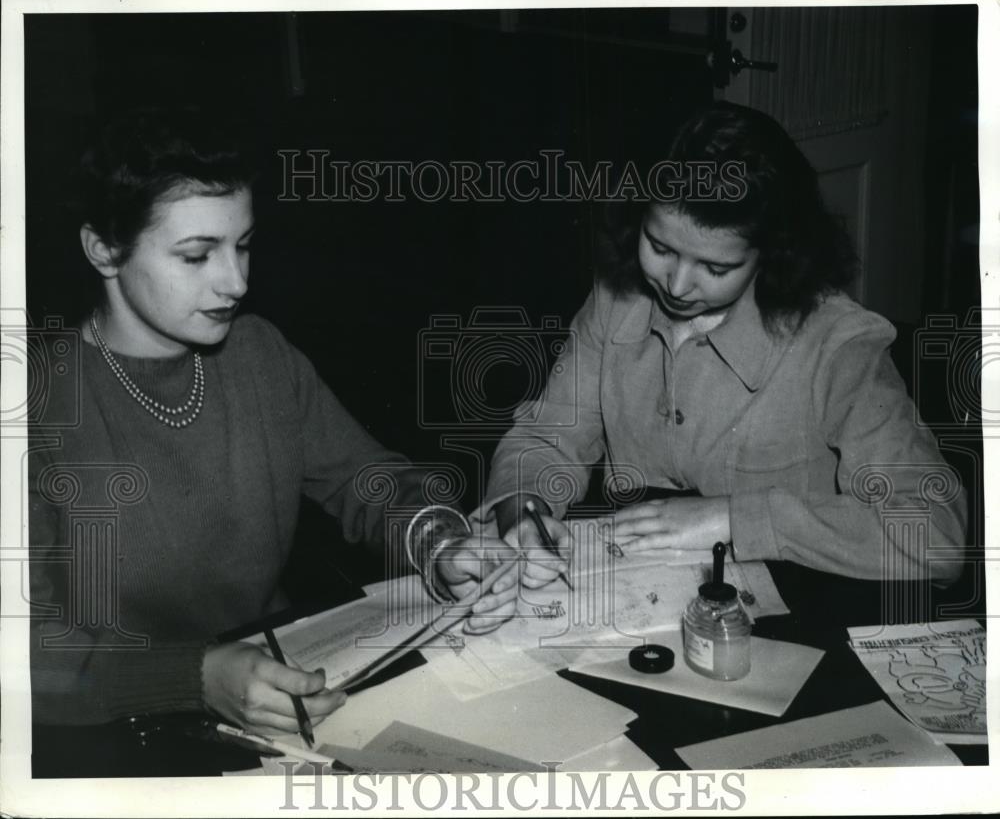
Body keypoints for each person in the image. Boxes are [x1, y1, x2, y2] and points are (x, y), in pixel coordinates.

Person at [27, 107, 517, 736]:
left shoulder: (258, 352)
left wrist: (440, 544)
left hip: (294, 686)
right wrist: (196, 678)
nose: (235, 282)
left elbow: (367, 483)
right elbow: (25, 658)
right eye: (197, 256)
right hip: (120, 733)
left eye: (244, 245)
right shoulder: (36, 407)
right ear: (104, 250)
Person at [474, 101, 966, 589]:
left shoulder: (837, 343)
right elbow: (548, 439)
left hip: (794, 616)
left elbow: (936, 535)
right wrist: (522, 511)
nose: (678, 285)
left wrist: (737, 519)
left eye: (716, 268)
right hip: (639, 597)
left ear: (772, 254)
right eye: (660, 247)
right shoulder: (615, 298)